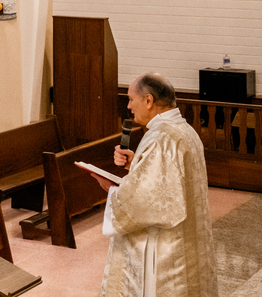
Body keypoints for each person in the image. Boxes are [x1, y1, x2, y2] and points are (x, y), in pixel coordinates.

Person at [88, 74, 217, 297]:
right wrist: (136, 162)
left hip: (166, 248)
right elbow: (170, 180)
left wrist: (110, 190)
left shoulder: (161, 137)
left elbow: (142, 203)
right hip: (188, 238)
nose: (128, 106)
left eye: (130, 99)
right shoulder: (184, 129)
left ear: (148, 101)